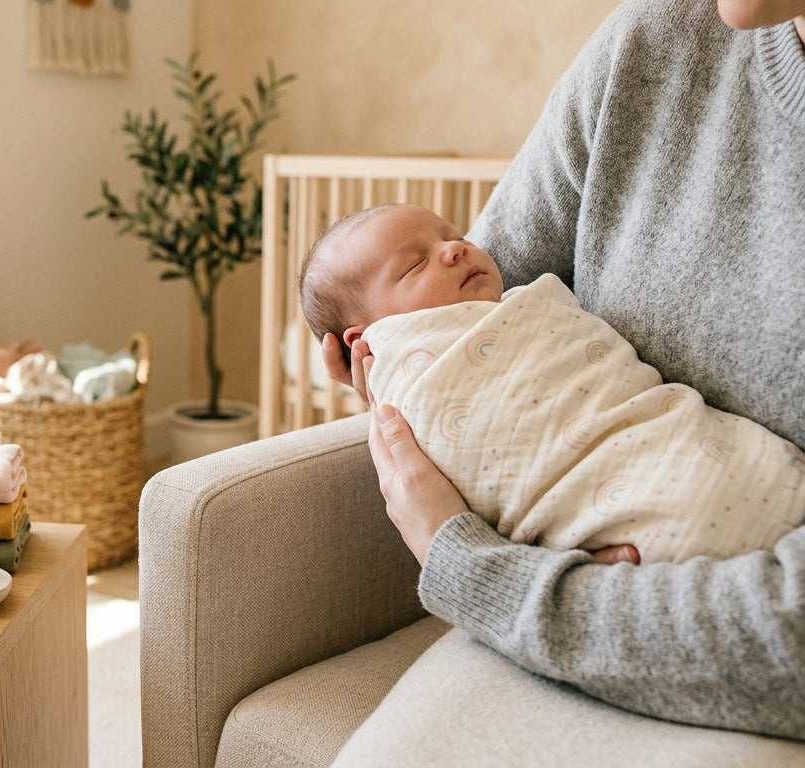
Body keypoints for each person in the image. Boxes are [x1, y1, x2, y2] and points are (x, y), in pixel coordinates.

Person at [318, 0, 805, 741]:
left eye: (443, 239)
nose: (451, 248)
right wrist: (405, 378)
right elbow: (474, 318)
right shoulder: (655, 41)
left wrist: (483, 574)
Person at [301, 202, 805, 564]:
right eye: (415, 263)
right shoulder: (409, 393)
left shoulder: (527, 311)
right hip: (635, 533)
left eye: (454, 237)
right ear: (366, 338)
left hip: (682, 443)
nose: (455, 248)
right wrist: (395, 379)